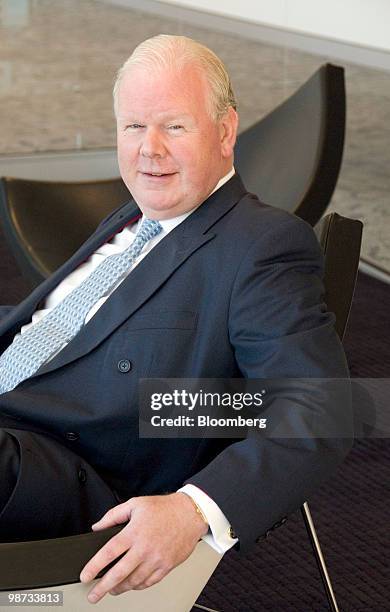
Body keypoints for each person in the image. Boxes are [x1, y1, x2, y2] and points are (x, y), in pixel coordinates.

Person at [0, 35, 351, 604]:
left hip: (65, 467)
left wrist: (192, 508)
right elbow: (64, 324)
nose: (149, 149)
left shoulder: (260, 246)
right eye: (134, 127)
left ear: (226, 131)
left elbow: (320, 407)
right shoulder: (136, 218)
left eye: (174, 126)